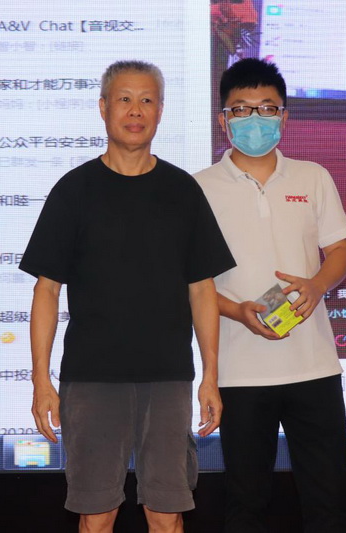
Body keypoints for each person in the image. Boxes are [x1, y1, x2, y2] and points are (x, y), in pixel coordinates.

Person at [19, 60, 235, 533]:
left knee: (166, 514)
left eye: (146, 100)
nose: (135, 111)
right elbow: (46, 290)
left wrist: (211, 377)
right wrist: (40, 380)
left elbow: (202, 288)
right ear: (103, 108)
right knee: (96, 516)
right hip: (91, 380)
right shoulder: (74, 190)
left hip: (168, 379)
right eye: (124, 99)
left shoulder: (182, 191)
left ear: (160, 112)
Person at [194, 58, 346, 532]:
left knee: (328, 503)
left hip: (315, 367)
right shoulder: (197, 188)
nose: (255, 119)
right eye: (241, 109)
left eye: (267, 108)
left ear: (284, 116)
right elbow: (192, 283)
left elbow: (340, 250)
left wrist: (318, 284)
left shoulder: (312, 176)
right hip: (239, 372)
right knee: (246, 504)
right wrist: (237, 311)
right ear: (223, 119)